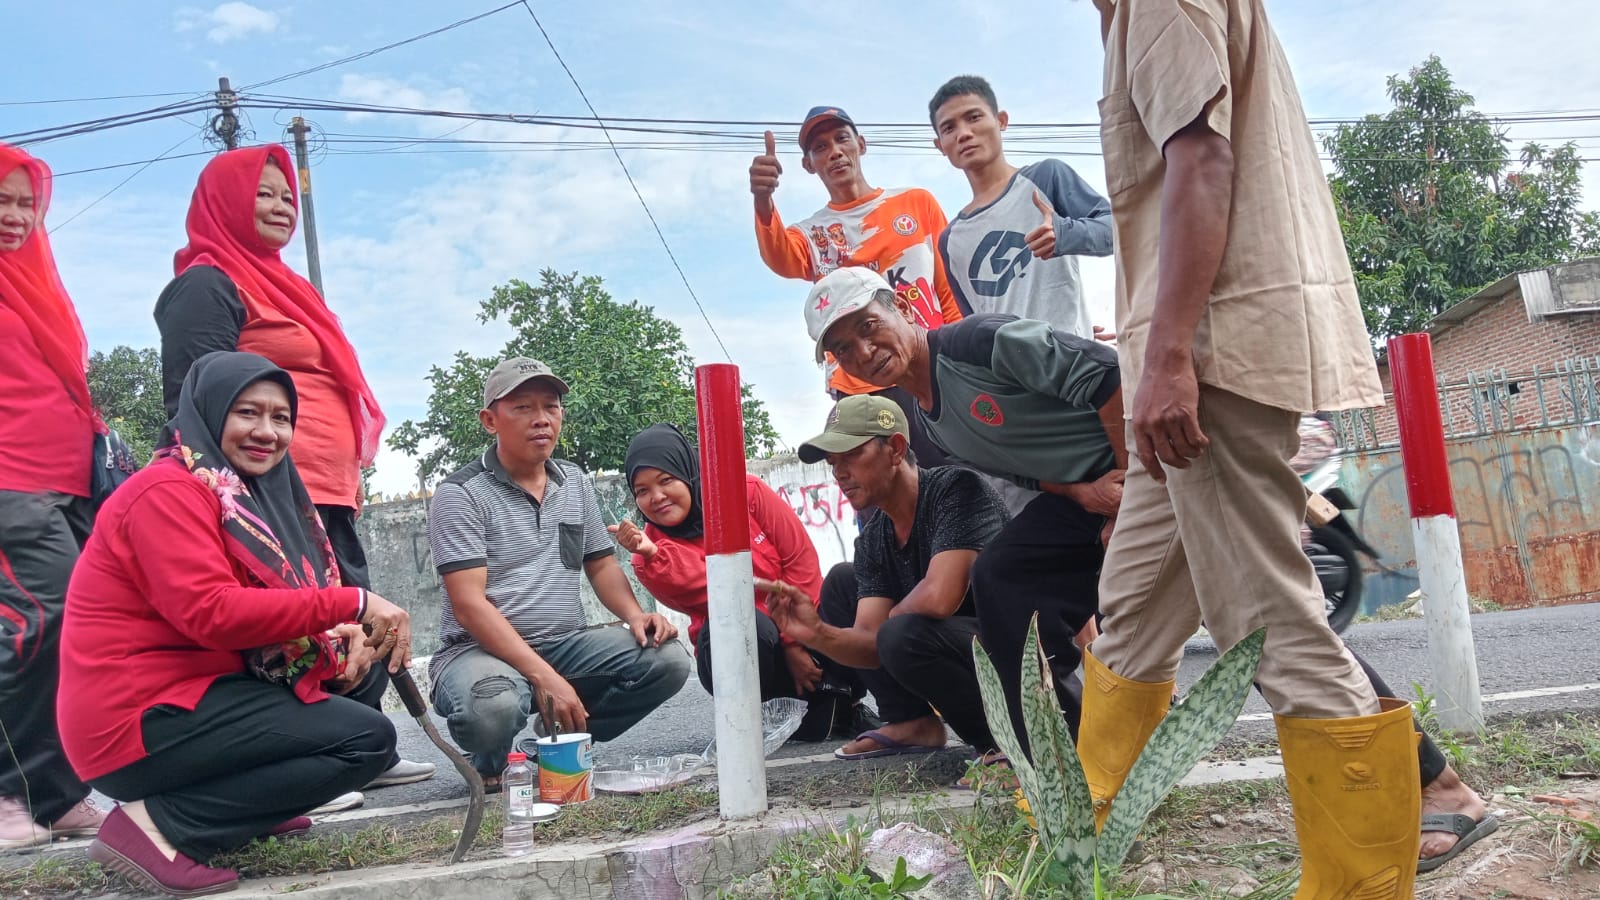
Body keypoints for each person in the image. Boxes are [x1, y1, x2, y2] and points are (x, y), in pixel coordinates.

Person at [805, 265, 1489, 858]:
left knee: (1260, 621)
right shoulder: (924, 419)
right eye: (842, 347)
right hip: (1091, 491)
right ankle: (1068, 762)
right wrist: (1081, 494)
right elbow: (1020, 467)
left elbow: (1111, 379)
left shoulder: (980, 344)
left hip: (1165, 457)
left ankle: (1436, 782)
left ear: (901, 306)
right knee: (1009, 577)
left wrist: (1133, 491)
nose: (864, 349)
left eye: (869, 325)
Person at [1086, 0, 1491, 889]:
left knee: (1264, 623)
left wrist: (1167, 358)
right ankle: (1083, 827)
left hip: (1207, 355)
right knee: (1137, 605)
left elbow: (1201, 159)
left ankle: (1361, 878)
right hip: (1190, 352)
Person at [59, 351, 410, 896]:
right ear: (208, 411)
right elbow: (213, 614)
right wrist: (352, 602)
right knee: (364, 740)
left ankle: (246, 810)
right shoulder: (165, 493)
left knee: (352, 691)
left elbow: (262, 609)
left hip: (189, 699)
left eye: (281, 417)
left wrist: (336, 639)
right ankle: (155, 828)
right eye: (248, 413)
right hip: (132, 719)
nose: (267, 432)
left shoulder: (241, 498)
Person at [153, 144, 433, 793]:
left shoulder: (286, 286)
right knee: (288, 630)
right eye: (264, 195)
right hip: (262, 498)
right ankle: (308, 766)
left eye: (288, 197)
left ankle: (362, 750)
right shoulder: (207, 283)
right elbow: (191, 402)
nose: (281, 208)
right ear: (225, 202)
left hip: (324, 492)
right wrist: (233, 502)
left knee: (350, 628)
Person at [427, 358, 691, 788]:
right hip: (478, 652)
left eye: (551, 407)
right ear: (489, 420)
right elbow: (469, 605)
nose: (541, 420)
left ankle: (551, 747)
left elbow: (601, 564)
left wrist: (635, 614)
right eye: (523, 408)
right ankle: (490, 763)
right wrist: (545, 677)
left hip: (565, 643)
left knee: (666, 660)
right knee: (492, 706)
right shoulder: (459, 495)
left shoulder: (574, 482)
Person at [762, 395, 1005, 762]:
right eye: (833, 462)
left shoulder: (957, 489)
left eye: (851, 456)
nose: (839, 472)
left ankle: (999, 742)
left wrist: (887, 626)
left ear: (895, 448)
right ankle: (913, 722)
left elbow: (941, 596)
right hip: (951, 643)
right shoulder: (874, 538)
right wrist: (817, 634)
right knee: (843, 583)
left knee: (899, 632)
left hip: (1017, 653)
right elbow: (871, 645)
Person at [928, 73, 1116, 528]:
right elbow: (976, 334)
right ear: (940, 146)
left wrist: (1067, 234)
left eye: (974, 117)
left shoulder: (1045, 178)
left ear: (1002, 121)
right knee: (1047, 526)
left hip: (1077, 381)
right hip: (1021, 407)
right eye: (949, 127)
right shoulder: (950, 241)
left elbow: (1116, 227)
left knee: (1114, 505)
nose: (964, 133)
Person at [611, 423, 876, 742]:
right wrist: (654, 553)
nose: (657, 497)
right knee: (741, 618)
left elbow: (800, 560)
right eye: (642, 490)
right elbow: (716, 594)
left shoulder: (744, 493)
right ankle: (762, 717)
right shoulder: (649, 555)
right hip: (751, 652)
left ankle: (857, 704)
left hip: (806, 635)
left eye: (666, 480)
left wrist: (796, 641)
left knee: (846, 581)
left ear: (690, 472)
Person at [749, 107, 963, 466]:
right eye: (819, 147)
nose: (834, 151)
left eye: (841, 139)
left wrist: (959, 354)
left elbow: (948, 288)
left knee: (958, 479)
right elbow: (780, 257)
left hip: (928, 366)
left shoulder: (916, 203)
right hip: (860, 387)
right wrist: (762, 199)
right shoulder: (813, 233)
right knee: (883, 498)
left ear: (861, 145)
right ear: (808, 164)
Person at [0, 143, 107, 848]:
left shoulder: (37, 280)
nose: (14, 215)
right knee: (34, 622)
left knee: (77, 631)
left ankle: (55, 791)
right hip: (10, 482)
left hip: (68, 479)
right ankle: (9, 791)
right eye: (0, 201)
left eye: (25, 203)